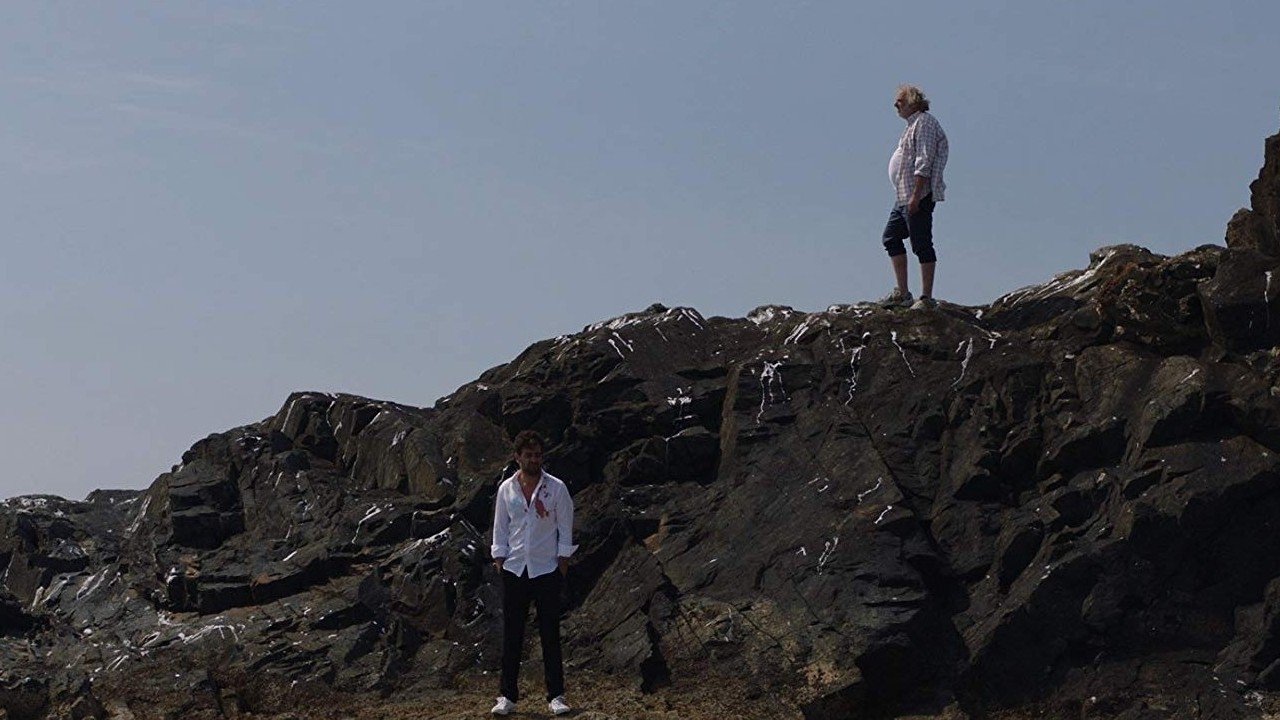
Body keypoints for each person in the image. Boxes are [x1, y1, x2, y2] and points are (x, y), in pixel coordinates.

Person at [489, 430, 577, 716]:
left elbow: (565, 526)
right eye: (528, 455)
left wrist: (562, 563)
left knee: (550, 634)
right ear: (518, 457)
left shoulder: (557, 488)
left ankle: (556, 695)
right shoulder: (507, 489)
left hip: (546, 568)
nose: (534, 460)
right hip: (515, 568)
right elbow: (500, 527)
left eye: (538, 455)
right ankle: (507, 696)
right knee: (512, 635)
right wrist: (499, 558)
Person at [877, 84, 949, 310]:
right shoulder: (912, 125)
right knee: (891, 238)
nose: (895, 105)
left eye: (900, 101)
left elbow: (924, 161)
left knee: (921, 243)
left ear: (912, 102)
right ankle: (903, 293)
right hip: (903, 195)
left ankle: (926, 297)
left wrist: (916, 195)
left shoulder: (924, 123)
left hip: (917, 195)